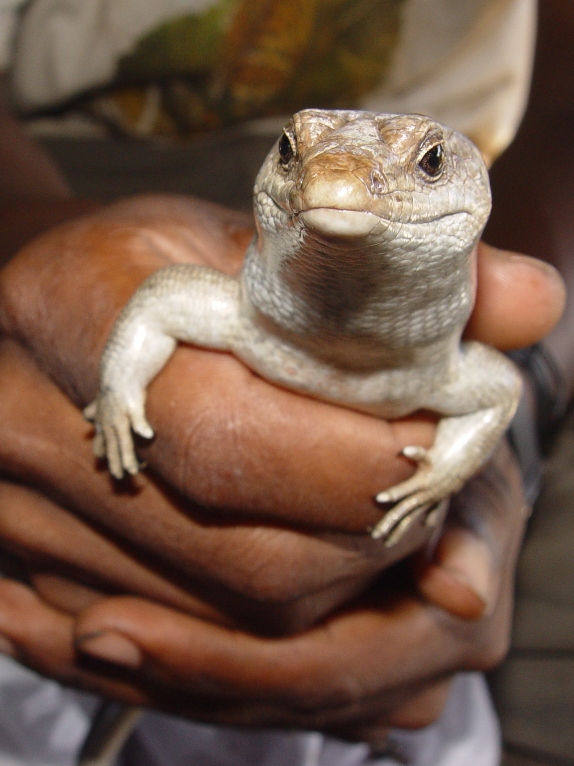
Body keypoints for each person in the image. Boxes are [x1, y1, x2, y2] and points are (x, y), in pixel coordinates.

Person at [0, 1, 570, 764]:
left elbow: (496, 389)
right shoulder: (244, 281)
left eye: (428, 162)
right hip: (64, 173)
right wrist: (115, 389)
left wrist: (487, 450)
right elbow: (164, 300)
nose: (340, 182)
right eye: (300, 157)